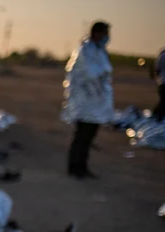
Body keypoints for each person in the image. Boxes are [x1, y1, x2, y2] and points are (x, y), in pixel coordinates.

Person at [63, 21, 114, 179]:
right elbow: (92, 73)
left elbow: (103, 74)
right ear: (97, 33)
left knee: (88, 136)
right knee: (82, 136)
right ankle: (75, 167)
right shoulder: (85, 51)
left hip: (94, 103)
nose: (107, 37)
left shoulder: (99, 51)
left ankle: (82, 167)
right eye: (105, 33)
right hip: (85, 102)